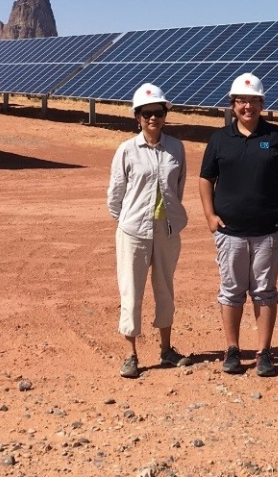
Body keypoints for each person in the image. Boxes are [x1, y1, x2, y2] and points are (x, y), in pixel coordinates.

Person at [199, 72, 278, 377]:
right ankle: (232, 349)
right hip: (229, 232)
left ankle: (263, 352)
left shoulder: (277, 137)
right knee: (231, 291)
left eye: (253, 100)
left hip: (269, 231)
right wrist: (210, 216)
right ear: (232, 104)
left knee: (265, 291)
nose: (247, 106)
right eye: (242, 100)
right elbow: (206, 179)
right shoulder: (219, 140)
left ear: (261, 103)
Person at [107, 83, 192, 378]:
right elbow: (115, 196)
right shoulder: (127, 150)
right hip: (133, 231)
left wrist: (166, 218)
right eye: (146, 113)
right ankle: (131, 355)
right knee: (131, 291)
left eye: (157, 112)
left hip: (166, 230)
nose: (152, 118)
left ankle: (166, 350)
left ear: (165, 115)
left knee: (165, 288)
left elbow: (177, 187)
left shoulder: (176, 148)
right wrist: (129, 222)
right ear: (138, 117)